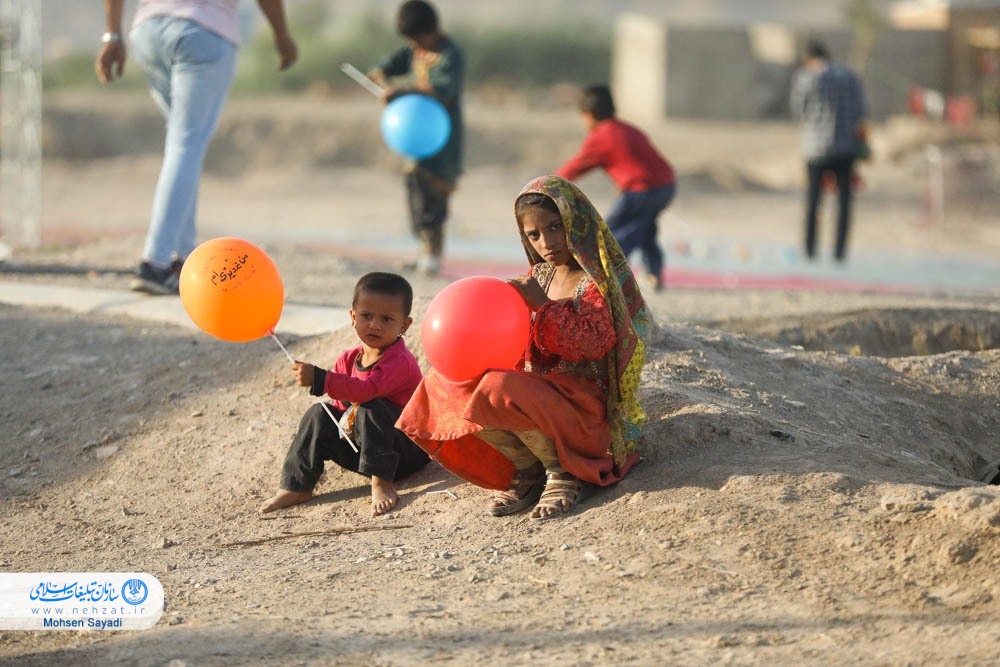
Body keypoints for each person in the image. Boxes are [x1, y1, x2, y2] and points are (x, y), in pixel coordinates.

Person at [396, 175, 650, 520]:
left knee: (498, 387)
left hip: (583, 411)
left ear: (577, 222)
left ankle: (561, 472)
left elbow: (593, 343)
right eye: (534, 234)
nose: (546, 242)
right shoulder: (539, 276)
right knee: (443, 382)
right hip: (539, 395)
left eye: (555, 227)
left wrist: (542, 305)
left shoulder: (596, 283)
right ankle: (528, 469)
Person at [96, 0, 297, 294]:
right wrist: (281, 35)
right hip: (203, 31)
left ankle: (184, 260)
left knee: (182, 144)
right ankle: (156, 263)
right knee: (186, 144)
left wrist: (112, 34)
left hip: (149, 30)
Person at [259, 272, 429, 517]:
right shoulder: (348, 360)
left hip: (405, 453)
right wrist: (331, 421)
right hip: (366, 450)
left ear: (404, 325)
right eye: (367, 316)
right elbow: (342, 406)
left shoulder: (399, 361)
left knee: (371, 407)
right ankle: (297, 486)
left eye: (387, 319)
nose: (375, 325)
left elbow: (366, 390)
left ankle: (382, 483)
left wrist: (320, 379)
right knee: (320, 413)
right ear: (353, 316)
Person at [369, 0, 464, 277]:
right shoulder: (413, 51)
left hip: (443, 138)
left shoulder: (450, 55)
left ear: (432, 30)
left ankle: (434, 253)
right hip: (413, 139)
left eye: (419, 38)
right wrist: (384, 85)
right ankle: (423, 250)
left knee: (435, 193)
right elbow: (380, 70)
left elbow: (442, 89)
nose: (416, 45)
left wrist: (402, 92)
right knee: (416, 190)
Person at [555, 84, 676, 292]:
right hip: (666, 186)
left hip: (641, 190)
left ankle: (612, 276)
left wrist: (550, 184)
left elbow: (576, 166)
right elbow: (641, 161)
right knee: (646, 228)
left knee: (609, 234)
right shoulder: (629, 130)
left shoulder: (602, 136)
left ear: (589, 114)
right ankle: (654, 275)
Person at [789, 39, 867, 262]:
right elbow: (861, 109)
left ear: (809, 59)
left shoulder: (805, 78)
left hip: (815, 149)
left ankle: (810, 250)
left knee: (813, 202)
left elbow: (798, 111)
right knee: (844, 203)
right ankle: (839, 252)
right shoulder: (849, 77)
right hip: (845, 148)